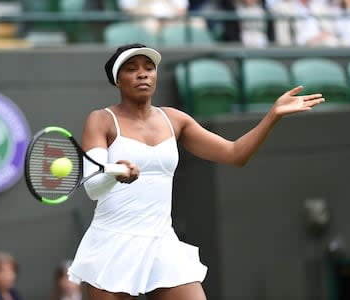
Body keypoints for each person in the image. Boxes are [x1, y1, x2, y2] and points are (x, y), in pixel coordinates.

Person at [67, 43, 325, 300]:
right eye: (131, 69)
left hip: (161, 241)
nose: (143, 74)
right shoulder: (100, 120)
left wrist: (272, 115)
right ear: (117, 80)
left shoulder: (176, 120)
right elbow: (93, 187)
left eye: (149, 68)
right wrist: (115, 174)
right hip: (113, 243)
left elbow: (235, 154)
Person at [272, 0, 338, 46]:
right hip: (301, 43)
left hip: (321, 40)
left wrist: (316, 38)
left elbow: (329, 29)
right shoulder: (285, 7)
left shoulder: (320, 6)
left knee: (332, 41)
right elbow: (283, 36)